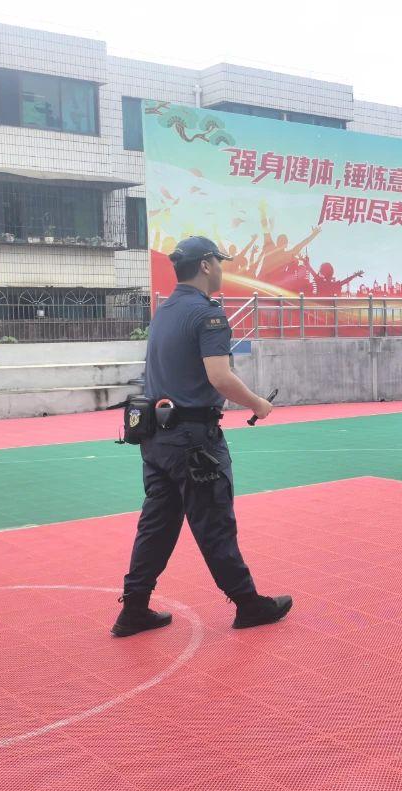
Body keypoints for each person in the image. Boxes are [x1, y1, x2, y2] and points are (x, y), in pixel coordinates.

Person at [113, 236, 292, 637]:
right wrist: (258, 404)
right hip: (193, 440)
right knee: (214, 522)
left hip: (155, 438)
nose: (223, 269)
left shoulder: (164, 311)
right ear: (207, 264)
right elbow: (220, 377)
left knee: (157, 525)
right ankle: (247, 603)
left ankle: (134, 607)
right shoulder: (207, 314)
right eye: (220, 262)